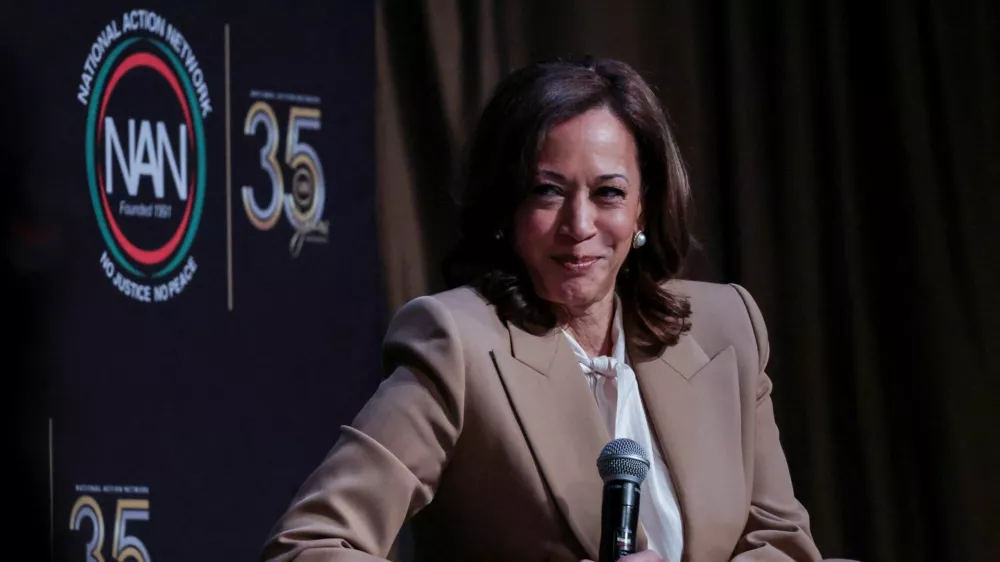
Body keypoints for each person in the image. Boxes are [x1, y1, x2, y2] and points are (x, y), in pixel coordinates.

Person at [260, 56, 824, 562]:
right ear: (507, 206)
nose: (579, 227)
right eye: (548, 192)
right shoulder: (458, 345)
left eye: (608, 193)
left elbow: (781, 545)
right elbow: (310, 545)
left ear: (643, 210)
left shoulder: (727, 326)